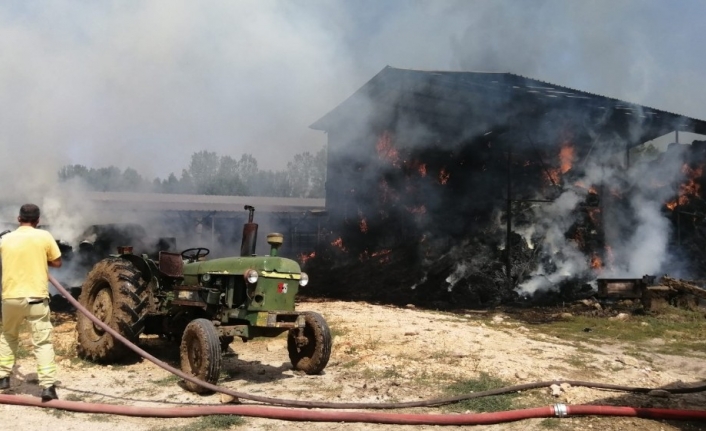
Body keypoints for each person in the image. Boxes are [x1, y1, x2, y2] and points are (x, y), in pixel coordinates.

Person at [0, 204, 62, 401]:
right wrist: (41, 258)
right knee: (42, 342)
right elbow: (57, 262)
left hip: (11, 298)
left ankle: (3, 378)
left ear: (19, 219)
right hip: (36, 298)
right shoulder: (44, 237)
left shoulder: (5, 239)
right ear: (38, 221)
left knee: (8, 336)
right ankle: (48, 388)